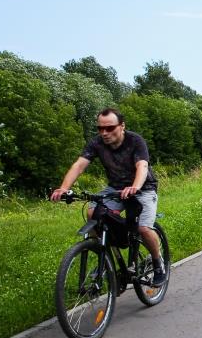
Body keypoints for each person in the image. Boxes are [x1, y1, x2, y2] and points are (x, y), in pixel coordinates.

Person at [50, 108, 166, 286]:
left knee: (143, 229)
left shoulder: (135, 141)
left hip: (143, 188)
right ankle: (107, 260)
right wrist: (64, 188)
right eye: (100, 128)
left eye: (110, 128)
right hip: (115, 189)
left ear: (122, 126)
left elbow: (142, 166)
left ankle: (158, 264)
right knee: (93, 214)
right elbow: (79, 165)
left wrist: (135, 186)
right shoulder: (96, 143)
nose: (104, 133)